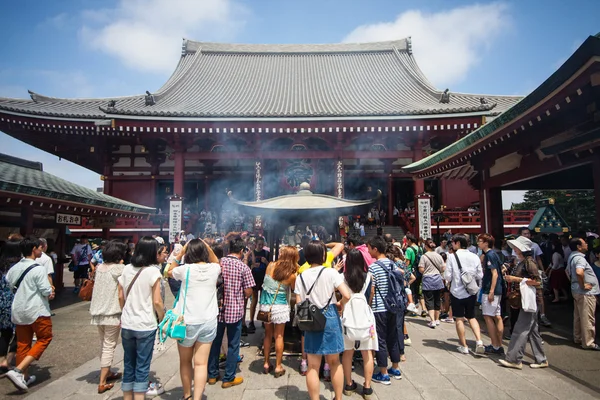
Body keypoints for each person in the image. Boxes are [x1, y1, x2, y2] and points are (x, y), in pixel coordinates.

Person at [295, 240, 350, 400]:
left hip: (311, 320)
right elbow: (346, 294)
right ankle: (338, 397)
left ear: (306, 256)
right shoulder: (331, 272)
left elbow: (299, 303)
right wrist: (340, 304)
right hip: (331, 316)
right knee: (334, 362)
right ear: (323, 255)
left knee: (312, 365)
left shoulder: (301, 276)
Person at [167, 239, 221, 400]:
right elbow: (216, 260)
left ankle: (187, 395)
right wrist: (207, 246)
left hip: (187, 321)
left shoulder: (185, 270)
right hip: (208, 320)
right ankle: (197, 397)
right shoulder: (214, 269)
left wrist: (181, 252)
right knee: (201, 363)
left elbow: (169, 271)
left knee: (185, 361)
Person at [118, 237, 165, 400]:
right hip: (145, 324)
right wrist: (162, 317)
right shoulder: (153, 272)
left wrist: (126, 312)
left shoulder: (126, 269)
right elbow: (157, 301)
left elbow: (120, 296)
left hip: (127, 323)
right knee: (142, 366)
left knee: (128, 363)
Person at [5, 237, 54, 391]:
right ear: (34, 249)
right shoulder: (38, 268)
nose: (41, 250)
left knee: (22, 344)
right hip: (37, 309)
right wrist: (51, 292)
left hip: (19, 309)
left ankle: (24, 378)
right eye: (39, 248)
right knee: (45, 337)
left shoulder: (14, 268)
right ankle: (18, 370)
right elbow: (46, 290)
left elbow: (8, 282)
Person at [208, 234, 255, 388]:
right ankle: (229, 377)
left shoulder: (218, 263)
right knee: (233, 344)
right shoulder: (243, 267)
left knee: (215, 342)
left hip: (217, 309)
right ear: (241, 250)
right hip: (235, 311)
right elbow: (249, 292)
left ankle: (212, 375)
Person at [500, 236, 549, 369]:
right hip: (528, 299)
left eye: (516, 247)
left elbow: (537, 281)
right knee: (532, 331)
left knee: (520, 329)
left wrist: (515, 279)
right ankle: (541, 359)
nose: (514, 249)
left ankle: (514, 358)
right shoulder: (521, 261)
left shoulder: (529, 262)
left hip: (531, 299)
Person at [90, 240, 127, 394]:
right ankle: (102, 381)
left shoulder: (100, 268)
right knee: (109, 345)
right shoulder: (119, 269)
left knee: (103, 343)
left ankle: (108, 371)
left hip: (98, 312)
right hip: (112, 312)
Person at [341, 249, 377, 399]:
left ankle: (349, 384)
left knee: (347, 352)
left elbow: (342, 297)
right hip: (365, 318)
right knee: (367, 352)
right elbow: (371, 295)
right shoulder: (369, 277)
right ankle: (367, 387)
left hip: (348, 318)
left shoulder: (342, 277)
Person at [368, 236, 403, 384]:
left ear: (376, 249)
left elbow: (372, 290)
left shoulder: (373, 267)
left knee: (380, 339)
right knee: (393, 337)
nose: (368, 251)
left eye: (369, 248)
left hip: (379, 308)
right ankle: (395, 367)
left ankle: (383, 373)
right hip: (394, 306)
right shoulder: (392, 264)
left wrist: (368, 305)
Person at [259, 246, 298, 378]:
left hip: (266, 306)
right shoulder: (292, 274)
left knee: (267, 335)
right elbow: (293, 289)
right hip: (280, 306)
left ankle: (265, 363)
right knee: (279, 336)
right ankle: (278, 366)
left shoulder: (270, 266)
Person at [444, 234, 485, 355]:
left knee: (459, 319)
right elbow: (479, 275)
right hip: (471, 291)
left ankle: (464, 345)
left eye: (453, 242)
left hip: (457, 291)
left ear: (457, 243)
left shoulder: (452, 257)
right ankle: (479, 341)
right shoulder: (475, 256)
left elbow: (448, 276)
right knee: (472, 317)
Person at [566, 237, 600, 351]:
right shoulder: (580, 259)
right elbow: (579, 272)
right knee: (587, 317)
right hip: (585, 292)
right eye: (584, 243)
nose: (586, 244)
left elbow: (567, 272)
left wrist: (575, 283)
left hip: (576, 290)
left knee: (579, 316)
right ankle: (588, 342)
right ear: (578, 247)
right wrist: (583, 285)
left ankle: (578, 337)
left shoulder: (572, 257)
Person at [477, 234, 505, 355]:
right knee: (497, 316)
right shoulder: (494, 254)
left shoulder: (489, 255)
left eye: (480, 241)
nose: (478, 243)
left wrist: (491, 291)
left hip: (490, 289)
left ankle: (495, 345)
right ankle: (499, 343)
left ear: (486, 243)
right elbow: (502, 268)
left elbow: (495, 273)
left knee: (488, 316)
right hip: (498, 288)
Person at [0, 235, 22, 377]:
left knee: (5, 332)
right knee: (19, 331)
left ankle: (2, 359)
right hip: (10, 301)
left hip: (3, 300)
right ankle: (8, 359)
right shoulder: (15, 265)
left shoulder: (4, 263)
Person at [419, 238, 445, 328]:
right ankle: (437, 319)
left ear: (426, 246)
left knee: (429, 300)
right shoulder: (439, 256)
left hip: (428, 279)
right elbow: (443, 268)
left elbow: (421, 269)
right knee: (437, 299)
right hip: (437, 278)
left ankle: (432, 320)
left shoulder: (424, 256)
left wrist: (426, 271)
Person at [247, 237, 270, 334]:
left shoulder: (266, 253)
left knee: (264, 300)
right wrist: (252, 266)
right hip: (254, 278)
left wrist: (266, 262)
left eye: (262, 244)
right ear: (256, 244)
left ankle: (263, 319)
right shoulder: (252, 253)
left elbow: (270, 266)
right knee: (254, 300)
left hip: (264, 279)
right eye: (259, 244)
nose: (260, 246)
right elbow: (248, 266)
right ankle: (251, 321)